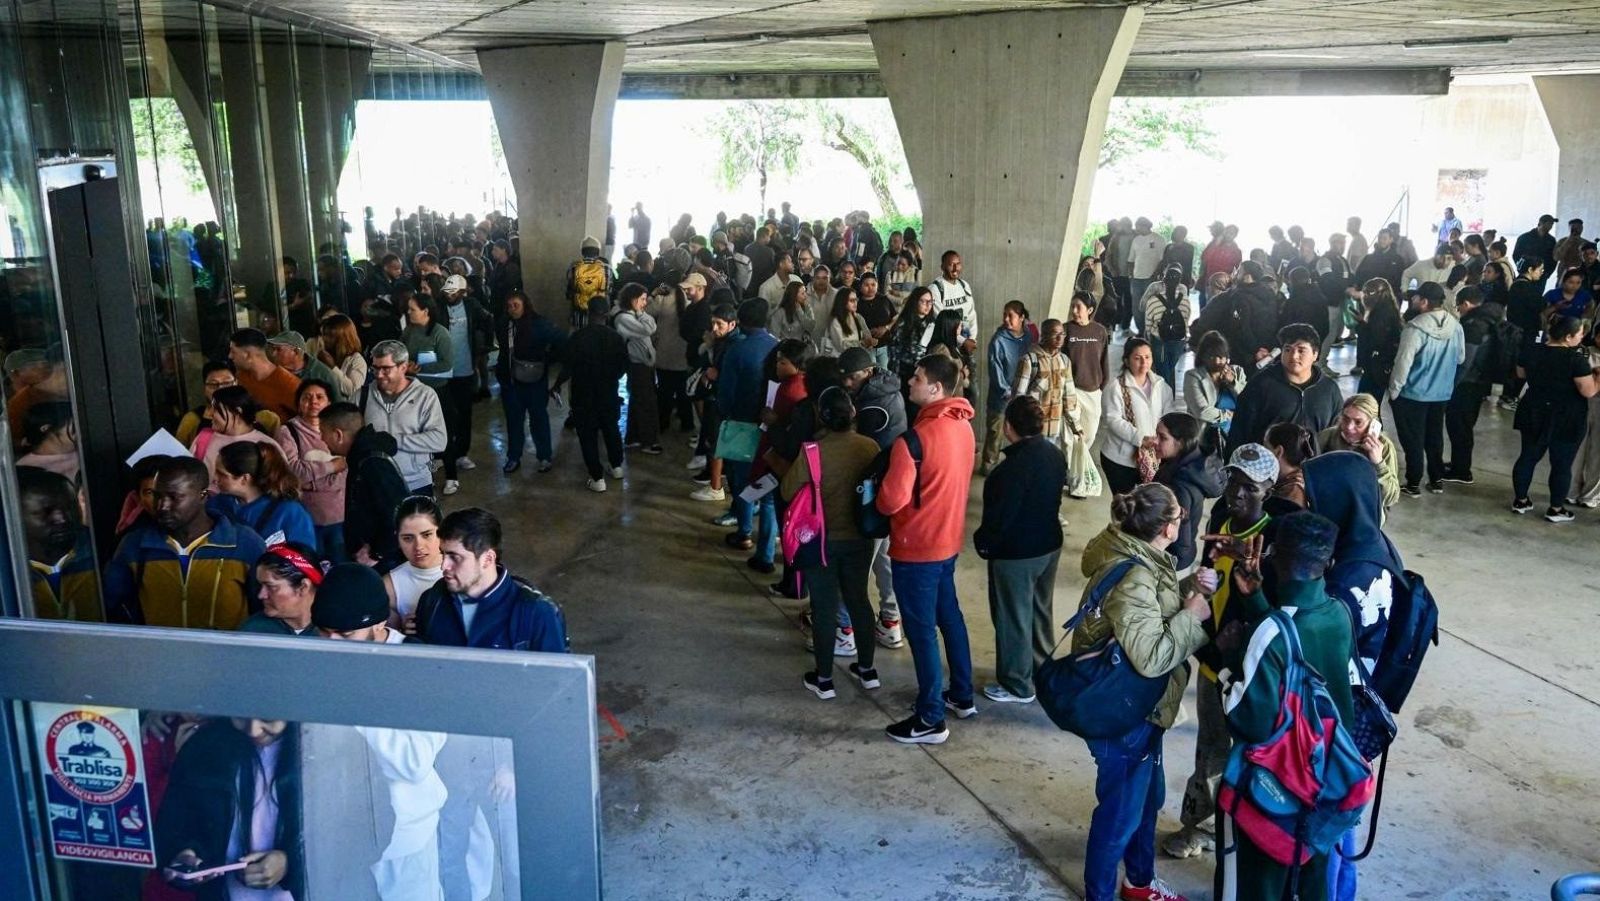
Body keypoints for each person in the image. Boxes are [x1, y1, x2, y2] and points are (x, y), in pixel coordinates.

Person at [1076, 482, 1210, 901]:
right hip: (1123, 712)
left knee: (1146, 800)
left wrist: (1190, 586)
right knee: (1118, 816)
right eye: (1180, 518)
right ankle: (1099, 895)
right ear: (1167, 528)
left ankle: (1138, 883)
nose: (1182, 525)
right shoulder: (1134, 575)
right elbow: (1151, 657)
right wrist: (1191, 616)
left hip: (1141, 710)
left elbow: (1153, 607)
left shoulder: (1140, 555)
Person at [1216, 511, 1356, 901]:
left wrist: (1230, 662)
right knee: (1311, 878)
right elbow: (1301, 651)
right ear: (1327, 563)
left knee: (1262, 881)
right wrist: (1257, 601)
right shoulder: (1339, 614)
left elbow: (1250, 720)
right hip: (1325, 777)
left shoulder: (1270, 632)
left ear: (1274, 557)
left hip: (1277, 787)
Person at [1162, 442, 1278, 861]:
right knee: (1211, 747)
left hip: (1247, 673)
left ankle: (1228, 828)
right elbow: (1209, 580)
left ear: (1268, 487)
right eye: (1232, 480)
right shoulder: (1223, 522)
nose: (1236, 492)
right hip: (1213, 665)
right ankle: (1201, 825)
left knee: (1246, 752)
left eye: (1249, 486)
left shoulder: (1269, 542)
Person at [878, 354, 977, 745]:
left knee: (920, 633)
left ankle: (931, 718)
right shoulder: (964, 428)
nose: (909, 382)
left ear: (936, 388)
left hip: (915, 547)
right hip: (948, 541)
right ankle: (962, 695)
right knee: (949, 616)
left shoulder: (913, 441)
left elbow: (890, 501)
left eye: (916, 378)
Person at [781, 387, 882, 700]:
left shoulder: (812, 451)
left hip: (821, 542)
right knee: (859, 600)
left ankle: (824, 679)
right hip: (860, 539)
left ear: (821, 417)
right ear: (852, 413)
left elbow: (787, 491)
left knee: (824, 606)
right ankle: (867, 671)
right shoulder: (870, 446)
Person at [973, 396, 1066, 704]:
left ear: (1009, 428)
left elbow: (999, 520)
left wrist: (984, 544)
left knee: (1013, 616)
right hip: (1049, 546)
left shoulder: (1008, 471)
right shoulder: (1054, 455)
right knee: (1040, 612)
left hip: (1016, 555)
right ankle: (1043, 672)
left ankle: (1016, 684)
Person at [103, 456, 266, 629]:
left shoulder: (244, 543)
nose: (162, 506)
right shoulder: (135, 545)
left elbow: (263, 610)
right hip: (159, 653)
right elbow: (116, 606)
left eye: (174, 497)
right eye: (157, 496)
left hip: (226, 655)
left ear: (203, 496)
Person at [157, 716, 302, 900]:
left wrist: (289, 864)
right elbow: (173, 827)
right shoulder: (203, 748)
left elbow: (338, 840)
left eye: (267, 717)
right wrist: (185, 855)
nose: (253, 730)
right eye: (241, 715)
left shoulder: (320, 755)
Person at [414, 508, 566, 651]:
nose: (444, 566)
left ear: (487, 559)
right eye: (443, 554)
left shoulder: (537, 613)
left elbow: (556, 677)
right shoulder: (432, 601)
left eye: (455, 557)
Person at [838, 347, 908, 650]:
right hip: (888, 491)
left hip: (872, 493)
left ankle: (844, 629)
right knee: (884, 560)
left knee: (856, 563)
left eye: (851, 378)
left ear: (867, 372)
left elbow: (861, 451)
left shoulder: (873, 408)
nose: (847, 384)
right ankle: (891, 622)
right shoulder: (886, 389)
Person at [1511, 315, 1600, 522]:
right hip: (1566, 415)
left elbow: (1521, 373)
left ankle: (1521, 500)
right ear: (1568, 337)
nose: (1580, 339)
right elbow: (1587, 391)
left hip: (1534, 408)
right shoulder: (1575, 360)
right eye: (1579, 335)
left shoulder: (1532, 350)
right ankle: (1556, 508)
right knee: (1561, 463)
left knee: (1528, 456)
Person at [1388, 282, 1465, 496]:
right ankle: (1436, 479)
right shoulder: (1456, 326)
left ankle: (1413, 483)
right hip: (1441, 394)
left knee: (1413, 438)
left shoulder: (1414, 328)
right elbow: (1461, 358)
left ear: (1423, 302)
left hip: (1413, 394)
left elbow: (1403, 363)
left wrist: (1394, 391)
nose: (1411, 301)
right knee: (1434, 436)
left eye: (1415, 298)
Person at [1227, 324, 1344, 454]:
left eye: (1301, 350)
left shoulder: (1329, 390)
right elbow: (1240, 430)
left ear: (1315, 354)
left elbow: (1337, 433)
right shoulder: (1261, 385)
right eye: (1288, 349)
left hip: (1315, 467)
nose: (1293, 356)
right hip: (1269, 467)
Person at [318, 402, 409, 566]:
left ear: (338, 435)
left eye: (323, 432)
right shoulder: (360, 458)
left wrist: (376, 552)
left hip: (385, 562)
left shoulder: (372, 464)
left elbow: (399, 514)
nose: (322, 438)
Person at [556, 297, 630, 492]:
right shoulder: (616, 337)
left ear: (588, 313)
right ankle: (616, 466)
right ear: (607, 314)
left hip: (584, 395)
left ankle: (597, 478)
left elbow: (568, 367)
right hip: (608, 392)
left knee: (587, 435)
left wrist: (556, 385)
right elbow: (623, 366)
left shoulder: (578, 337)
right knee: (611, 429)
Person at [16, 466, 102, 621]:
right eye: (45, 512)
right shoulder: (8, 572)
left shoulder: (104, 553)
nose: (62, 519)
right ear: (14, 515)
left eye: (69, 507)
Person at [363, 339, 448, 497]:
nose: (379, 375)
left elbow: (439, 440)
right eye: (375, 369)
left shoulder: (425, 396)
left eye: (386, 369)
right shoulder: (362, 396)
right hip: (376, 482)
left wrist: (394, 441)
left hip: (416, 483)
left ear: (403, 367)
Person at [274, 379, 346, 561]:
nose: (313, 401)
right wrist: (332, 466)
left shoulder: (340, 429)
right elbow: (293, 471)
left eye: (319, 397)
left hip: (340, 514)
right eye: (307, 397)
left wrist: (312, 478)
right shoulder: (288, 431)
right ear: (299, 403)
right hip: (308, 515)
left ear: (329, 402)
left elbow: (347, 470)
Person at [497, 289, 563, 474]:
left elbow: (561, 341)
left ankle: (544, 456)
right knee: (514, 421)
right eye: (509, 306)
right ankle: (514, 456)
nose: (512, 310)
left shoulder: (540, 324)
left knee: (539, 419)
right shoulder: (505, 324)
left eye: (516, 305)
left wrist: (547, 359)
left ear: (525, 305)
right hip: (511, 382)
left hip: (535, 381)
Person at [400, 294, 460, 493]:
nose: (408, 313)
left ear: (426, 311)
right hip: (414, 389)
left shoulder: (439, 333)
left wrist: (420, 369)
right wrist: (406, 364)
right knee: (419, 430)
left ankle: (451, 475)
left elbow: (447, 362)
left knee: (443, 430)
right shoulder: (409, 331)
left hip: (437, 390)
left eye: (412, 309)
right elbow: (401, 352)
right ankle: (427, 470)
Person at [1153, 412, 1223, 575]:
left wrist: (1163, 564)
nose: (1155, 441)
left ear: (1181, 443)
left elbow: (1181, 540)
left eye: (1162, 438)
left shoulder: (1179, 486)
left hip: (1169, 558)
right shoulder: (1192, 463)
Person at [439, 274, 494, 479]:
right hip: (443, 372)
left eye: (454, 293)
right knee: (444, 415)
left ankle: (461, 453)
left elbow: (488, 319)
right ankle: (443, 454)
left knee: (464, 415)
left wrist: (486, 345)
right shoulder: (439, 307)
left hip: (465, 370)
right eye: (447, 292)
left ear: (463, 292)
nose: (450, 296)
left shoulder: (471, 306)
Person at [1101, 338, 1174, 495]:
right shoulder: (1116, 387)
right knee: (1125, 507)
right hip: (1120, 460)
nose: (1143, 363)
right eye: (1137, 358)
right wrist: (1140, 438)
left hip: (1152, 458)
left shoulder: (1161, 386)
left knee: (1145, 507)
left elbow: (1169, 416)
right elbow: (1113, 420)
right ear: (1126, 361)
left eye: (1147, 357)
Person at [216, 440, 318, 550]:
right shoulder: (216, 505)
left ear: (244, 478)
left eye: (221, 474)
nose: (214, 478)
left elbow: (303, 560)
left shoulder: (290, 513)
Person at [1318, 393, 1400, 513]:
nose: (1349, 427)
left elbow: (1391, 498)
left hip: (1364, 511)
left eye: (1358, 422)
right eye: (1345, 419)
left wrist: (1379, 463)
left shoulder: (1384, 447)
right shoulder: (1328, 436)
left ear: (1373, 424)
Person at [982, 301, 1035, 473]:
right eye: (1004, 314)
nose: (1006, 319)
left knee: (1021, 433)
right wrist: (1007, 392)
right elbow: (995, 370)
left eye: (1010, 315)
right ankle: (989, 466)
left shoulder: (1029, 337)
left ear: (1022, 318)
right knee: (995, 431)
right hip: (1001, 396)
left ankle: (1016, 467)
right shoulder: (998, 340)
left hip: (1022, 395)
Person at [1014, 317, 1076, 458]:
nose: (1060, 338)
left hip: (1055, 429)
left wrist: (1075, 426)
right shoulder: (1030, 360)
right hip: (1033, 430)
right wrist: (1019, 428)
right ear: (1044, 335)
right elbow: (1018, 399)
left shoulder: (1064, 361)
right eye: (1055, 333)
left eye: (1063, 333)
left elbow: (1069, 396)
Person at [612, 283, 662, 455]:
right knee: (646, 402)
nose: (644, 304)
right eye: (641, 300)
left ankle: (633, 437)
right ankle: (648, 441)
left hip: (642, 363)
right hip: (637, 365)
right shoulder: (624, 318)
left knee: (638, 400)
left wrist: (639, 311)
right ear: (632, 300)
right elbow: (649, 328)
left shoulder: (630, 315)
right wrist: (641, 313)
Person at [194, 385, 279, 483]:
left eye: (216, 409)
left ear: (237, 411)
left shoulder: (266, 445)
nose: (209, 414)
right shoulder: (204, 438)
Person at [238, 542, 325, 636]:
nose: (261, 595)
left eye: (271, 586)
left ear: (303, 587)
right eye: (260, 585)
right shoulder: (252, 632)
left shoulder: (334, 632)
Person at [649, 278, 696, 437]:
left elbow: (648, 312)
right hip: (682, 352)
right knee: (683, 392)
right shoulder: (688, 298)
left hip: (664, 352)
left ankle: (663, 423)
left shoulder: (662, 298)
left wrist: (653, 294)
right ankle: (687, 423)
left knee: (664, 391)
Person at [228, 327, 302, 421]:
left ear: (247, 355)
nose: (229, 356)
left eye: (233, 351)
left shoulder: (290, 385)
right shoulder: (240, 378)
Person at [1184, 331, 1246, 439]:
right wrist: (1228, 415)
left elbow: (1247, 399)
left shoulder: (1237, 372)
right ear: (1203, 357)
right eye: (1211, 357)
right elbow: (1201, 411)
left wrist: (1233, 383)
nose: (1217, 361)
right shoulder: (1193, 377)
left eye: (1221, 357)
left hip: (1237, 433)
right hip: (1207, 436)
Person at [1141, 265, 1191, 386]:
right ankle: (1168, 398)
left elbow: (1148, 323)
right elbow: (1186, 318)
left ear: (1163, 279)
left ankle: (1164, 399)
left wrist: (1148, 335)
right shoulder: (1185, 299)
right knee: (1170, 369)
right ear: (1179, 281)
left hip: (1160, 340)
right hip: (1178, 341)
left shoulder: (1153, 300)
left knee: (1163, 372)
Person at [266, 331, 341, 402]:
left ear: (295, 352)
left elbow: (338, 407)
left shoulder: (323, 374)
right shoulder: (273, 373)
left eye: (278, 349)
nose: (273, 354)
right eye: (273, 349)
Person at [15, 401, 79, 483]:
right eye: (74, 429)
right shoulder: (27, 471)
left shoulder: (83, 448)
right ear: (46, 428)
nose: (80, 432)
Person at [928, 250, 977, 352]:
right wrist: (962, 341)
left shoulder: (964, 286)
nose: (955, 268)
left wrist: (972, 339)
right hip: (947, 345)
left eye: (958, 264)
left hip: (966, 342)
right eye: (951, 265)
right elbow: (941, 323)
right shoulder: (935, 289)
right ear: (942, 267)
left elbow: (972, 314)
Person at [886, 286, 937, 385]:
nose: (927, 305)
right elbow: (894, 351)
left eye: (930, 302)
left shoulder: (932, 323)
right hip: (904, 371)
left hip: (925, 372)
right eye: (923, 301)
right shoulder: (903, 323)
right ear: (915, 302)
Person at [316, 313, 369, 400]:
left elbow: (353, 390)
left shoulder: (356, 360)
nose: (325, 339)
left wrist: (333, 368)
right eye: (324, 335)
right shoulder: (324, 356)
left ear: (343, 338)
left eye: (330, 336)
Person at [566, 235, 613, 328]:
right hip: (599, 318)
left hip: (578, 316)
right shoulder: (606, 268)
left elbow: (569, 292)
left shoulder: (574, 267)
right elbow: (609, 291)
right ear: (598, 252)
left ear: (582, 251)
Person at [819, 286, 870, 356]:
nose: (855, 303)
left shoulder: (858, 317)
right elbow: (841, 346)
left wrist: (869, 341)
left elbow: (867, 334)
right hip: (838, 360)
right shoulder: (835, 321)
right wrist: (862, 343)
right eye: (852, 300)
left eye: (856, 300)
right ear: (843, 302)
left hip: (855, 357)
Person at [1512, 214, 1558, 290]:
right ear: (1540, 223)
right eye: (1548, 223)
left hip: (1541, 275)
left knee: (1537, 297)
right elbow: (1516, 255)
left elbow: (1553, 258)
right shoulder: (1525, 238)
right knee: (1523, 295)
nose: (1550, 226)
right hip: (1525, 274)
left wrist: (1547, 273)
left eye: (1552, 224)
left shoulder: (1551, 240)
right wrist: (1522, 270)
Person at [770, 279, 821, 344]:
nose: (806, 295)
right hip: (786, 349)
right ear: (794, 296)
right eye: (802, 293)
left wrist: (799, 311)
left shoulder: (807, 308)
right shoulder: (780, 313)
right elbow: (774, 336)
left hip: (803, 348)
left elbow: (811, 327)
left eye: (805, 292)